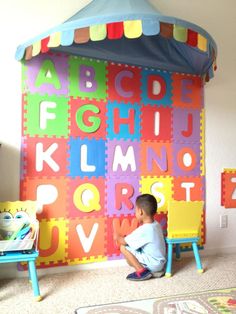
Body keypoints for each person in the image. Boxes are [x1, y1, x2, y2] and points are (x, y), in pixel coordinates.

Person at [114, 193, 166, 281]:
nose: (135, 213)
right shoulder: (156, 224)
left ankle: (141, 271)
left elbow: (124, 242)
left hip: (154, 264)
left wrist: (117, 237)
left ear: (140, 211)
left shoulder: (144, 229)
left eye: (135, 211)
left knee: (124, 247)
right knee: (135, 249)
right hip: (160, 263)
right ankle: (153, 271)